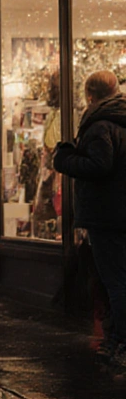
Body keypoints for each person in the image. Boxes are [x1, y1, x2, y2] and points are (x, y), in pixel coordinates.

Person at [53, 71, 126, 363]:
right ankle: (115, 338)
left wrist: (65, 158)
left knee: (115, 280)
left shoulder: (99, 126)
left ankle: (120, 341)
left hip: (106, 214)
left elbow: (99, 166)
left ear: (90, 96)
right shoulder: (120, 120)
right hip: (118, 212)